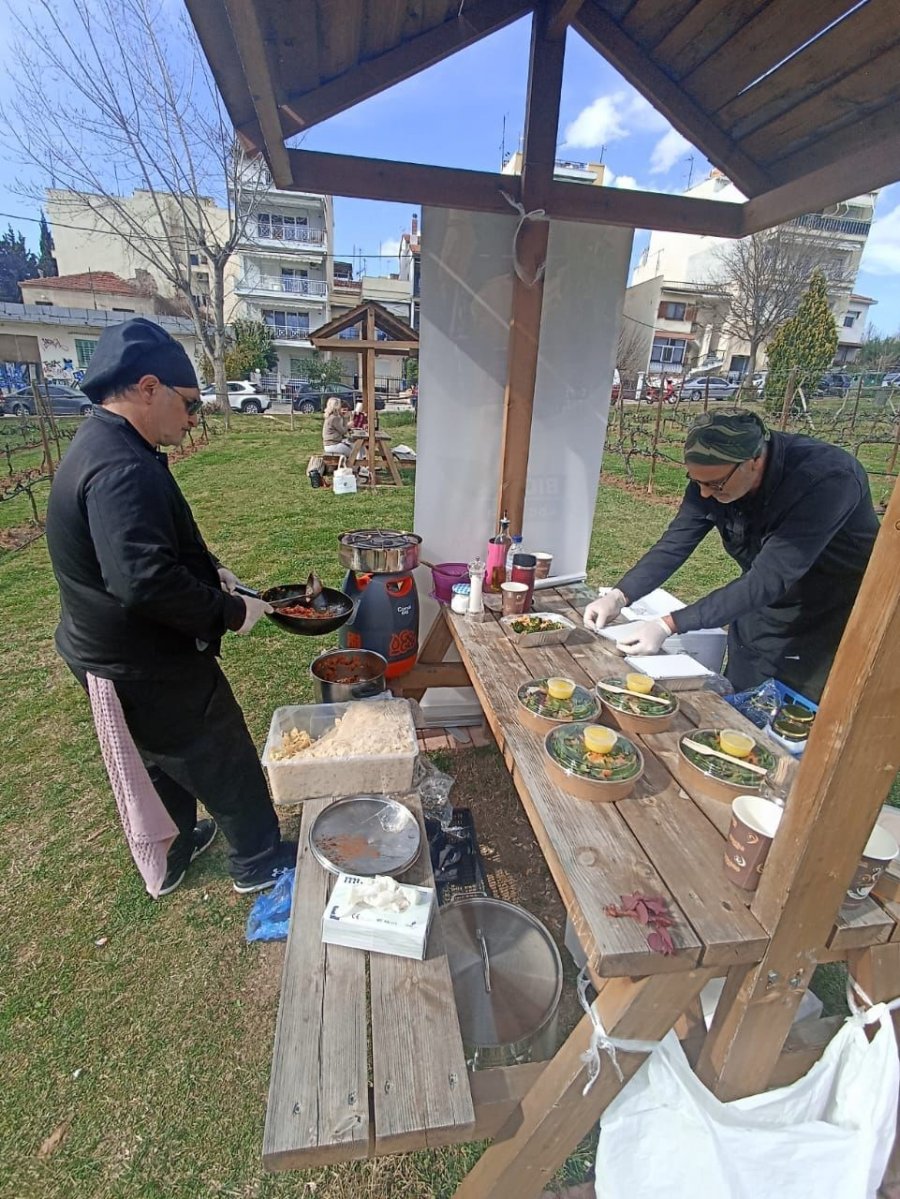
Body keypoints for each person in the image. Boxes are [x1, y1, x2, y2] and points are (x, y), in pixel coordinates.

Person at [45, 318, 296, 897]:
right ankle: (258, 860)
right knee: (218, 751)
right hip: (145, 659)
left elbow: (142, 554)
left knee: (157, 755)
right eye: (189, 404)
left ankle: (179, 844)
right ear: (149, 387)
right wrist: (229, 613)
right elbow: (144, 581)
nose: (191, 420)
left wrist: (213, 575)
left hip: (105, 654)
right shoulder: (121, 468)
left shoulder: (107, 441)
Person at [583, 409, 879, 701]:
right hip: (759, 612)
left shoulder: (827, 481)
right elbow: (676, 542)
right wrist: (620, 596)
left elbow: (768, 578)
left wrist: (669, 624)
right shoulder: (715, 476)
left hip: (829, 623)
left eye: (714, 485)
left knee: (790, 723)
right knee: (741, 703)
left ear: (754, 460)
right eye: (695, 481)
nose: (705, 495)